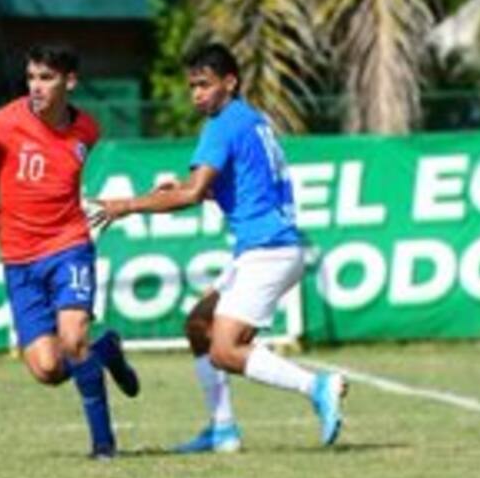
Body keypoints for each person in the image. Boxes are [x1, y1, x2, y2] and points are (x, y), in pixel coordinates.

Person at [91, 42, 347, 451]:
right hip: (268, 248)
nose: (197, 94)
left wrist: (126, 205)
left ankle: (318, 386)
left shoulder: (222, 125)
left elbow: (192, 195)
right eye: (192, 86)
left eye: (204, 85)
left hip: (267, 250)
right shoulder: (253, 120)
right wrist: (193, 187)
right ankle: (223, 428)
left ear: (230, 82)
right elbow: (241, 187)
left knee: (226, 350)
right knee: (198, 326)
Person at [0, 45, 139, 459]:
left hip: (69, 246)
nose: (36, 86)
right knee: (49, 369)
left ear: (69, 82)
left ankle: (104, 445)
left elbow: (58, 182)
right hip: (19, 260)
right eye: (32, 77)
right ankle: (106, 350)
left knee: (73, 339)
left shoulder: (88, 130)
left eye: (46, 78)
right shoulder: (4, 124)